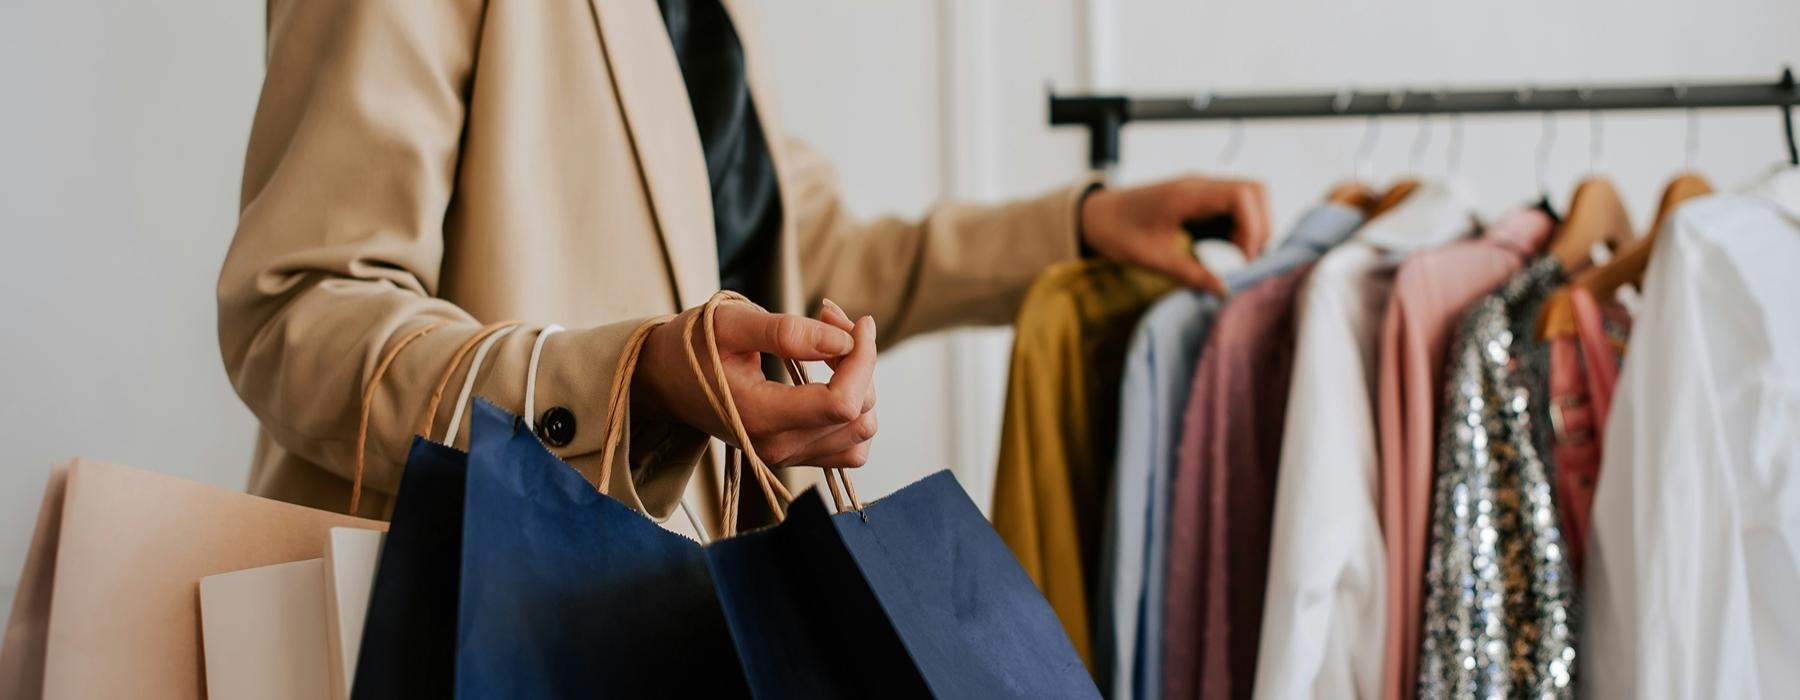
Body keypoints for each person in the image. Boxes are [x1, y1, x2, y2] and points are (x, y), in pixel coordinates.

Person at [216, 0, 1270, 527]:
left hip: (693, 613)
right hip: (484, 622)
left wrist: (1077, 228)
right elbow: (297, 312)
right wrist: (634, 382)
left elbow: (812, 263)